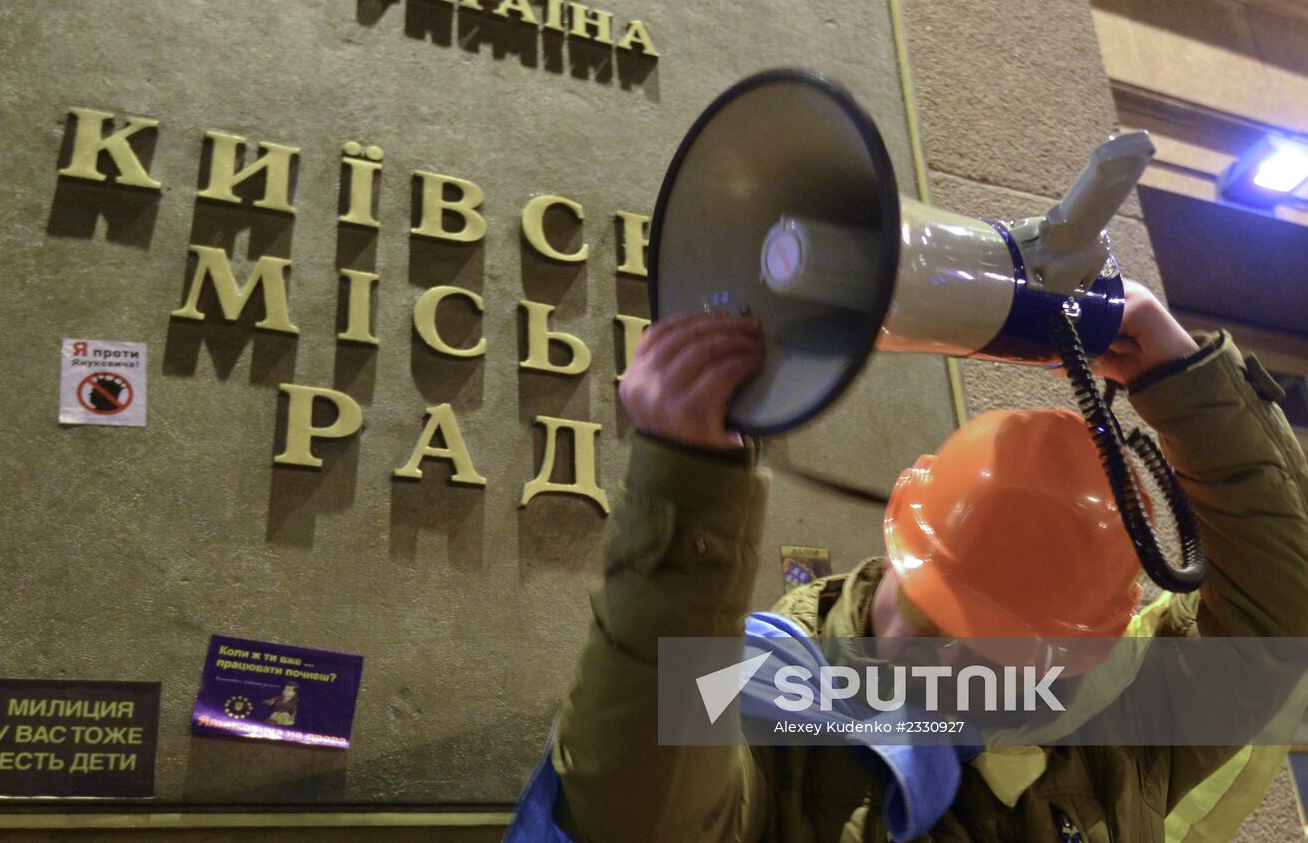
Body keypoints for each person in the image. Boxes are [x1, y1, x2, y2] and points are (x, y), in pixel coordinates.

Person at [538, 281, 1308, 841]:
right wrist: (688, 496)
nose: (947, 655)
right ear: (896, 536)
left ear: (1084, 649)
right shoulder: (758, 692)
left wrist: (1189, 390)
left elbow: (1282, 610)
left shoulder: (1122, 728)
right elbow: (629, 808)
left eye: (994, 648)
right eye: (935, 612)